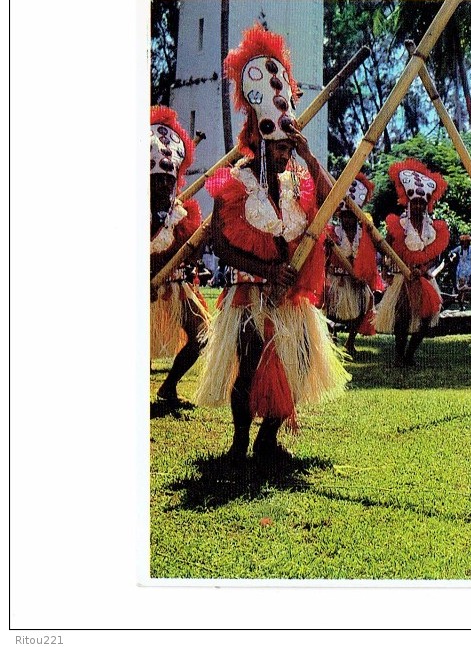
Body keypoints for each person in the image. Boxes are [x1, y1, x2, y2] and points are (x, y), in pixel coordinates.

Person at [195, 24, 350, 463]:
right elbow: (219, 246)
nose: (283, 152)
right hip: (249, 295)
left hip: (292, 301)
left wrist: (308, 153)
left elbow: (331, 200)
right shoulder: (236, 181)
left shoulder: (300, 175)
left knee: (298, 364)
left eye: (288, 146)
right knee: (246, 369)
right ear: (260, 141)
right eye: (278, 146)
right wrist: (266, 271)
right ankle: (239, 446)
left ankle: (268, 438)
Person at [149, 105, 209, 404]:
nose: (162, 185)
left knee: (202, 334)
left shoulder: (180, 213)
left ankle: (168, 386)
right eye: (156, 180)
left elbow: (188, 252)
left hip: (175, 287)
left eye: (167, 180)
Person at [375, 159, 450, 367]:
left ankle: (410, 354)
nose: (417, 206)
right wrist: (388, 270)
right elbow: (386, 248)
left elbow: (435, 255)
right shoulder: (399, 225)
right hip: (402, 277)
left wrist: (424, 269)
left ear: (426, 204)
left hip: (424, 278)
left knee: (427, 318)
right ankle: (399, 355)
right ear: (408, 202)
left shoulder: (434, 229)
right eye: (414, 202)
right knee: (403, 316)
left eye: (421, 203)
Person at [323, 173, 385, 356]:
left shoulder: (365, 234)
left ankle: (350, 341)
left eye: (351, 215)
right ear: (340, 216)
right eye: (345, 216)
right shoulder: (332, 233)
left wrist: (362, 275)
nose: (348, 219)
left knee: (365, 303)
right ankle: (331, 336)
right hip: (336, 279)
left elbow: (371, 257)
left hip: (356, 279)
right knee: (328, 310)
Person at [451, 234, 471, 310]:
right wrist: (453, 256)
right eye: (464, 242)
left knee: (469, 287)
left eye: (467, 242)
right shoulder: (459, 249)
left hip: (469, 269)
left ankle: (467, 302)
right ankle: (461, 305)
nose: (465, 243)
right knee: (461, 288)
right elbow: (452, 252)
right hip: (461, 270)